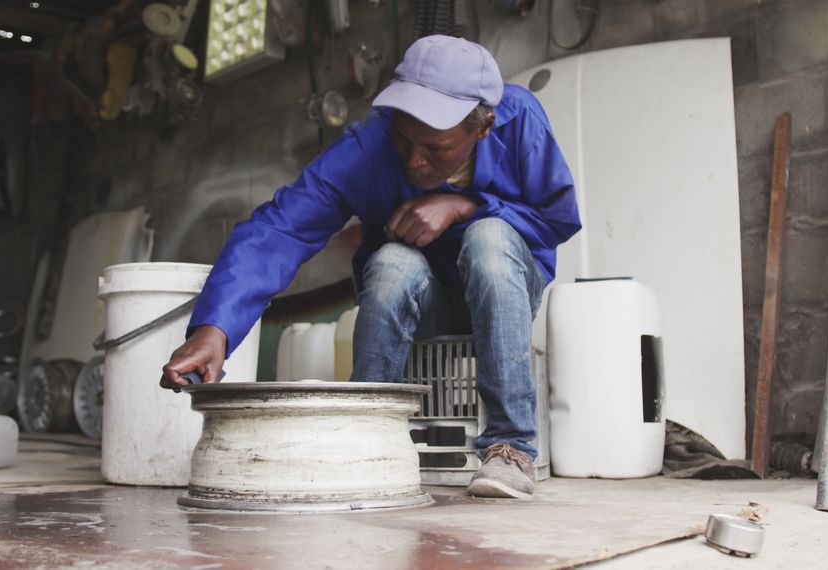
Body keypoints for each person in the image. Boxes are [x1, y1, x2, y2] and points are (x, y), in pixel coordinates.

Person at [160, 35, 581, 499]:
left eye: (436, 149)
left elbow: (557, 217)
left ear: (483, 129)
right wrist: (214, 327)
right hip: (424, 305)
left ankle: (509, 447)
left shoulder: (519, 121)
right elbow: (279, 229)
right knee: (392, 261)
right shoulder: (368, 148)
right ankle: (371, 442)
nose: (416, 160)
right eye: (404, 140)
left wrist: (465, 206)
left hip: (507, 288)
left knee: (489, 235)